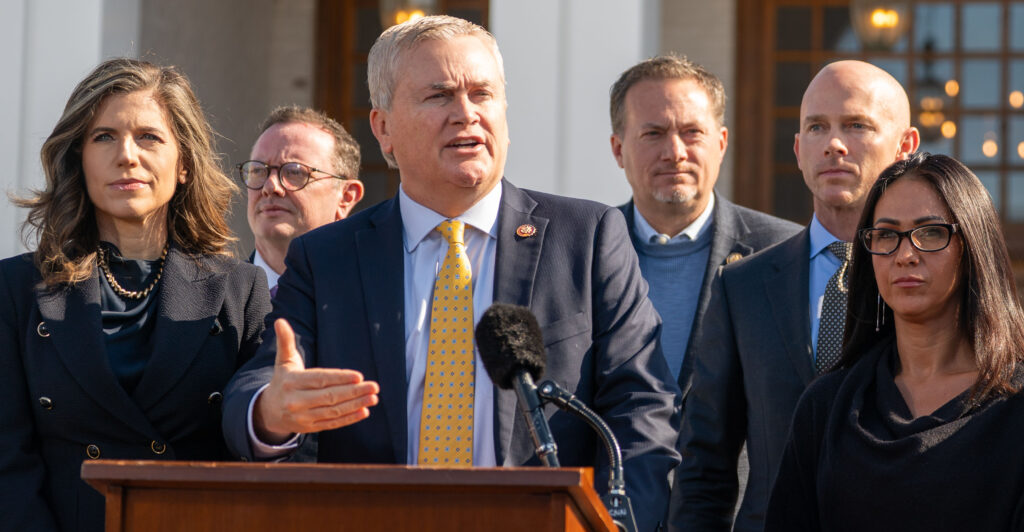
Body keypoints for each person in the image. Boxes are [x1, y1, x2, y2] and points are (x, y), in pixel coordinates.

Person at [222, 15, 680, 531]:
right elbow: (258, 386)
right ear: (384, 129)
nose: (467, 115)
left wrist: (616, 526)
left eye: (482, 94)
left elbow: (642, 409)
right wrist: (269, 414)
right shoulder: (326, 258)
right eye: (439, 95)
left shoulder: (587, 237)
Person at [0, 58, 270, 531]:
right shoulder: (15, 290)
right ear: (77, 159)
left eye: (149, 136)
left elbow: (252, 460)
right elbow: (7, 463)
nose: (127, 154)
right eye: (103, 136)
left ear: (183, 163)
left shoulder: (241, 289)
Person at [671, 60, 920, 531]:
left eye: (856, 125)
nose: (834, 144)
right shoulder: (742, 287)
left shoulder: (927, 277)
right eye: (816, 127)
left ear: (905, 146)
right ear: (798, 149)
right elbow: (705, 462)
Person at [766, 152, 1024, 531]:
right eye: (886, 235)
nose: (905, 255)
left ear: (973, 245)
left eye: (931, 232)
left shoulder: (1015, 406)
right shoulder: (827, 406)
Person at [609, 54, 800, 387]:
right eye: (653, 133)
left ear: (721, 144)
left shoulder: (785, 251)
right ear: (618, 150)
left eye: (692, 132)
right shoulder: (583, 253)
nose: (675, 152)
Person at [244, 105, 364, 295]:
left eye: (294, 171)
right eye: (258, 170)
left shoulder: (372, 300)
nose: (270, 187)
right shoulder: (209, 303)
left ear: (346, 197)